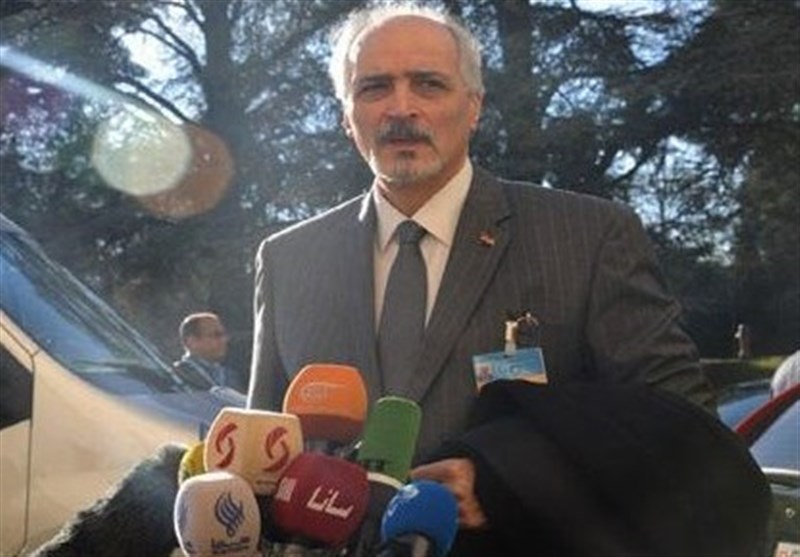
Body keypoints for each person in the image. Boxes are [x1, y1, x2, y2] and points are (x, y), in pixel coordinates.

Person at [245, 3, 761, 555]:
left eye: (428, 84)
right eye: (374, 87)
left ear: (474, 107)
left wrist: (506, 478)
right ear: (347, 117)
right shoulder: (287, 260)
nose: (401, 107)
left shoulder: (588, 238)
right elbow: (261, 456)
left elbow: (686, 431)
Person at [174, 311, 246, 393]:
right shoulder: (176, 376)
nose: (224, 340)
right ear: (192, 341)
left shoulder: (230, 376)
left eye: (224, 334)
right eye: (216, 335)